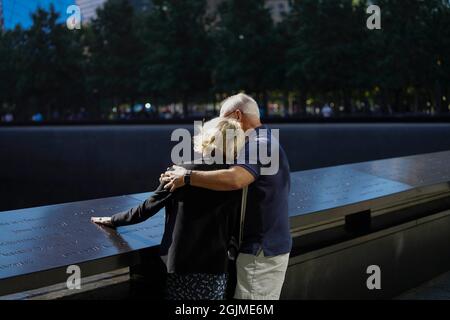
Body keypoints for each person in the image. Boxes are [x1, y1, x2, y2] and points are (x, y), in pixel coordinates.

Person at [92, 117, 245, 300]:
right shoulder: (235, 178)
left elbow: (148, 207)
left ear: (208, 137)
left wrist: (113, 220)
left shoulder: (184, 171)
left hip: (184, 262)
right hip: (216, 263)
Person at [163, 93, 292, 300]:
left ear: (238, 115)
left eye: (225, 118)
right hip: (265, 245)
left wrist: (187, 177)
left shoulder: (258, 143)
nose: (222, 125)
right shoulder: (266, 139)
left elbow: (236, 178)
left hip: (260, 250)